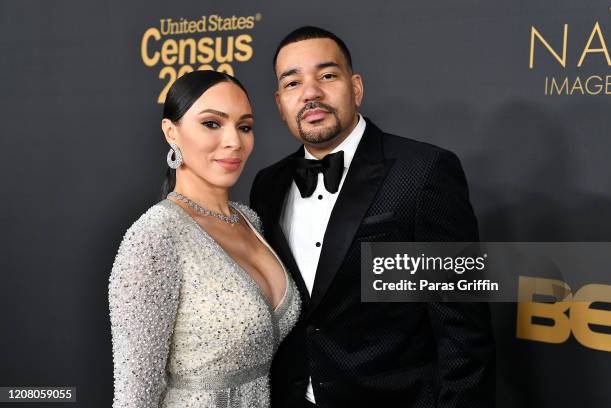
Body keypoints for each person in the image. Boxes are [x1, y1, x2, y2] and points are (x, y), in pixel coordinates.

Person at [250, 26, 495, 408]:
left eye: (327, 75)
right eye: (293, 83)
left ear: (356, 88)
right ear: (281, 104)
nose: (311, 93)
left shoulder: (424, 172)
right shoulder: (268, 186)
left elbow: (463, 332)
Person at [108, 70, 300, 407]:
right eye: (212, 123)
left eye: (244, 127)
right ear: (172, 132)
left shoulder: (250, 220)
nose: (234, 142)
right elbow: (134, 397)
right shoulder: (155, 237)